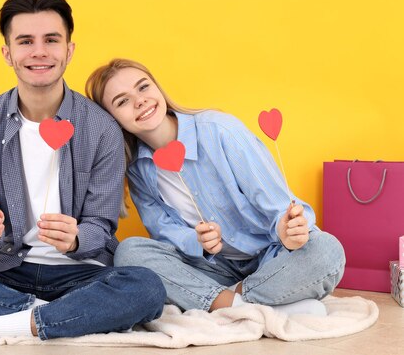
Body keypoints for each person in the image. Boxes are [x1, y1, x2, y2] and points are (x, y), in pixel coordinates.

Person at [0, 0, 165, 344]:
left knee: (145, 288)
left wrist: (78, 239)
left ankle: (0, 322)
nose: (39, 51)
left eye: (51, 40)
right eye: (25, 41)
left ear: (69, 50)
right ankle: (49, 315)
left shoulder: (102, 129)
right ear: (8, 53)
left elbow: (102, 226)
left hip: (80, 274)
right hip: (4, 270)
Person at [85, 58, 345, 315]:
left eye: (143, 87)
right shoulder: (137, 169)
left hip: (272, 258)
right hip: (211, 269)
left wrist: (288, 229)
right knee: (129, 252)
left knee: (326, 251)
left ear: (157, 89)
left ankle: (226, 303)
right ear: (112, 119)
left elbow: (279, 207)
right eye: (122, 101)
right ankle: (266, 305)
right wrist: (198, 241)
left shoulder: (219, 130)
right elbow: (164, 233)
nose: (139, 100)